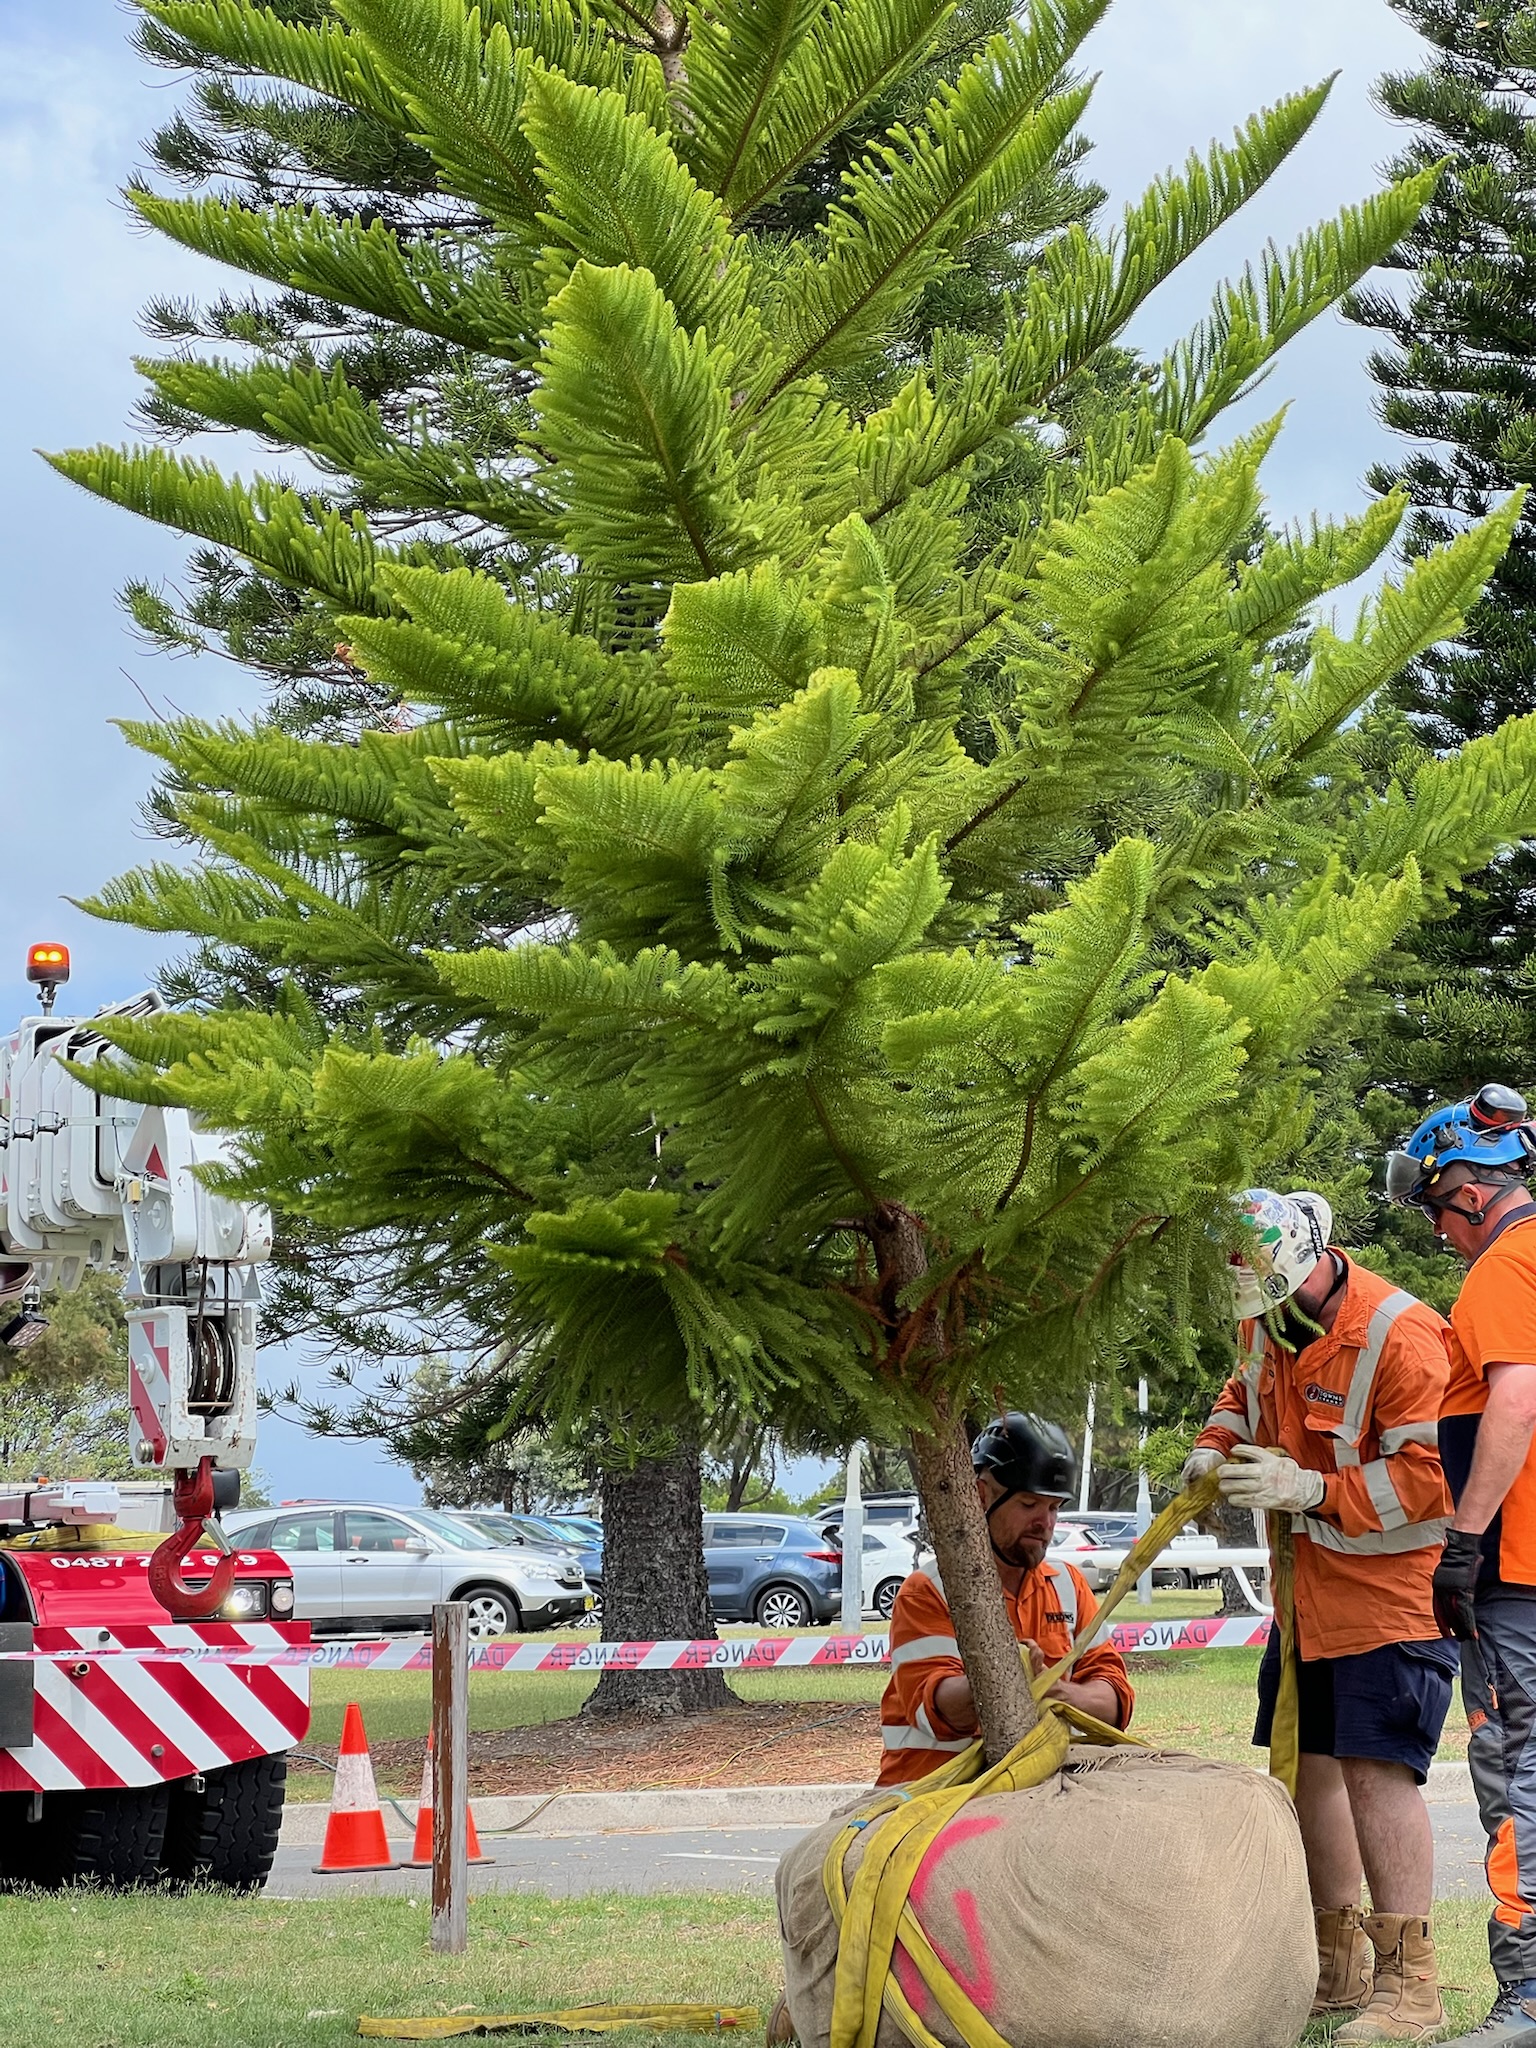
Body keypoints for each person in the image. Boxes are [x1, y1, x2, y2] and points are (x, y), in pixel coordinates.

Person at [1183, 1189, 1455, 2043]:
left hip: (1390, 1597)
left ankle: (1413, 1984)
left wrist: (1312, 1491)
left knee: (1379, 1776)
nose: (1263, 1320)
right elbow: (1246, 1388)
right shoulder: (1272, 1314)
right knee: (1308, 1766)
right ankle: (1336, 1961)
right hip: (1309, 1594)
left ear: (1310, 1263)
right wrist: (1213, 1445)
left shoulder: (1402, 1336)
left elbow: (1434, 1478)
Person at [1387, 1086, 1536, 2047]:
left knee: (1518, 1773)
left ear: (1472, 1193)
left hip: (1516, 1579)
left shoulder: (1503, 1270)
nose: (1439, 1233)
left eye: (1437, 1210)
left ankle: (1527, 1995)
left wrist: (1466, 1539)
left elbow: (1516, 1402)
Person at [877, 1412, 1133, 1787]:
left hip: (1031, 1790)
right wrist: (1003, 1675)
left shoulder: (1069, 1586)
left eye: (1053, 1508)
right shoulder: (928, 1591)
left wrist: (1057, 1690)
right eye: (1029, 1505)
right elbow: (937, 1710)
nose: (1044, 1523)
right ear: (982, 1496)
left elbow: (1114, 1701)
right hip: (929, 1794)